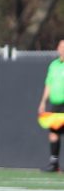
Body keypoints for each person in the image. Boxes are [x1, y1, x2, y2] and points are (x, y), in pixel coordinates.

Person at [37, 39, 64, 172]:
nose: (62, 49)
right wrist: (43, 102)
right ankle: (54, 163)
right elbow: (49, 84)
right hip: (56, 105)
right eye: (60, 47)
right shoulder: (54, 65)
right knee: (54, 133)